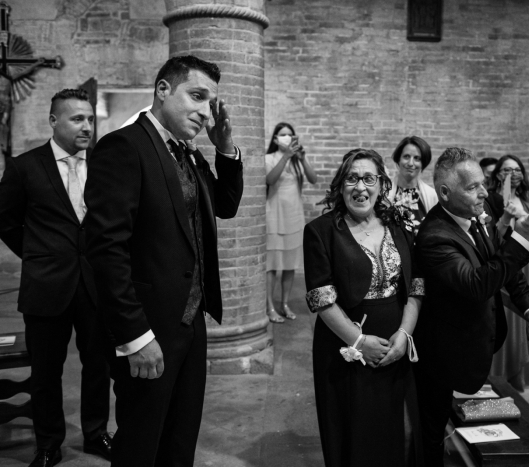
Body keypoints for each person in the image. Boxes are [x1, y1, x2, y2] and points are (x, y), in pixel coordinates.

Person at [84, 56, 244, 467]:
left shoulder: (187, 152)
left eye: (211, 103)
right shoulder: (125, 147)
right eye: (197, 96)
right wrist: (136, 337)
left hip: (190, 323)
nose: (206, 113)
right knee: (141, 442)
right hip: (147, 327)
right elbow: (105, 250)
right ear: (162, 90)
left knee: (180, 437)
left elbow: (224, 207)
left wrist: (225, 148)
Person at [414, 147, 529, 466]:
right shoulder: (434, 236)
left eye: (482, 184)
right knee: (430, 432)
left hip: (474, 339)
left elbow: (498, 261)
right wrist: (522, 240)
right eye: (472, 187)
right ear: (445, 193)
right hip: (441, 352)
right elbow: (477, 284)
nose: (483, 193)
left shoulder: (479, 211)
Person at [0, 89, 112, 467]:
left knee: (98, 365)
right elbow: (5, 221)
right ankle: (48, 444)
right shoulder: (24, 166)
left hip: (95, 282)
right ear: (53, 121)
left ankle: (96, 434)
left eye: (90, 119)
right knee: (46, 371)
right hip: (46, 283)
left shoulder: (103, 165)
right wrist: (37, 254)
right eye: (77, 119)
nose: (86, 126)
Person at [303, 148, 424, 467]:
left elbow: (415, 287)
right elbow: (321, 300)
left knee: (396, 430)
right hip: (344, 347)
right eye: (351, 178)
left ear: (383, 184)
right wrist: (359, 342)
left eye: (369, 178)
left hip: (394, 343)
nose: (360, 187)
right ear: (340, 187)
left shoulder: (398, 225)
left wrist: (404, 336)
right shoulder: (321, 232)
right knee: (352, 431)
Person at [487, 154, 529, 390]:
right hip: (505, 259)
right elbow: (495, 234)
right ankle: (499, 371)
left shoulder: (525, 200)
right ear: (498, 174)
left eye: (518, 169)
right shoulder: (494, 199)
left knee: (523, 313)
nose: (514, 174)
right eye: (508, 170)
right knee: (506, 314)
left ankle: (517, 373)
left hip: (525, 261)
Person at [265, 122, 317, 323]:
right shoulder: (270, 158)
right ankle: (270, 306)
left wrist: (302, 159)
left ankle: (285, 303)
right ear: (276, 139)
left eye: (289, 134)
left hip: (294, 216)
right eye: (282, 134)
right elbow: (270, 180)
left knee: (289, 265)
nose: (286, 137)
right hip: (274, 215)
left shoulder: (298, 160)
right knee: (272, 265)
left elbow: (313, 179)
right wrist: (286, 155)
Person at [387, 136, 438, 232]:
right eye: (406, 157)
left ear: (423, 163)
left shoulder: (433, 196)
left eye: (417, 158)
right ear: (398, 159)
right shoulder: (385, 194)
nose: (411, 163)